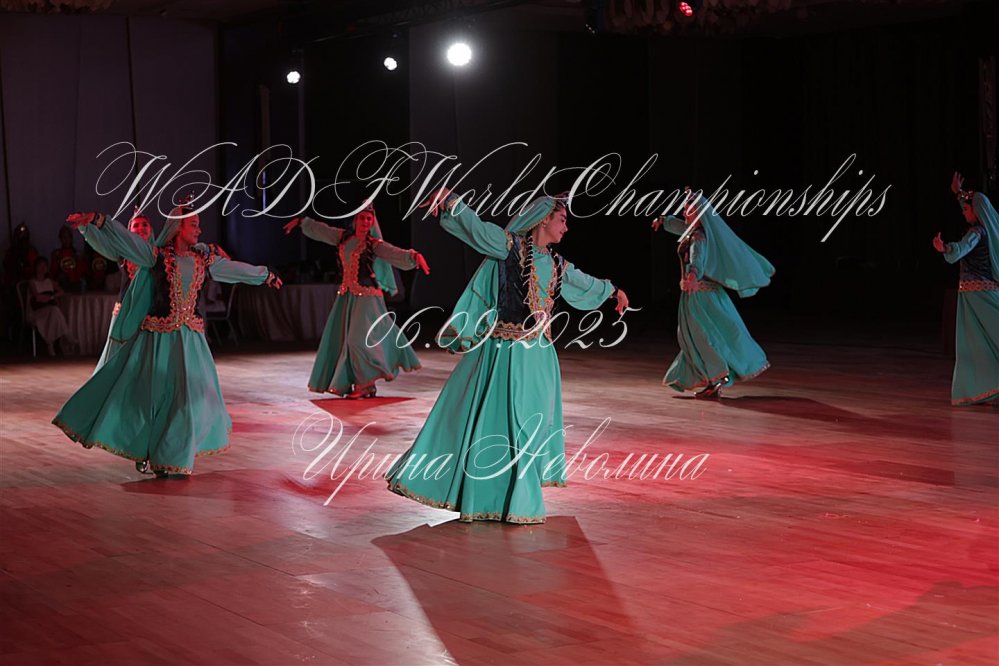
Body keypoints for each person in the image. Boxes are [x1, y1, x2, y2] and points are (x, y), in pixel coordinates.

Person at [386, 190, 629, 524]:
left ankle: (514, 498)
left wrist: (613, 291)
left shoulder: (557, 264)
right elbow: (476, 229)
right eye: (562, 220)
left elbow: (582, 283)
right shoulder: (509, 246)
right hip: (506, 353)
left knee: (534, 426)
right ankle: (512, 501)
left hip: (540, 357)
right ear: (544, 219)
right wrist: (451, 201)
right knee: (505, 424)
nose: (566, 227)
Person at [53, 203, 282, 476]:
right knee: (157, 400)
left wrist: (264, 275)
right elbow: (123, 240)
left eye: (198, 224)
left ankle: (172, 458)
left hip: (191, 343)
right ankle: (161, 456)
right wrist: (97, 221)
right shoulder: (156, 256)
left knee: (190, 400)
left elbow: (233, 270)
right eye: (193, 224)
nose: (199, 230)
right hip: (159, 341)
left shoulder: (203, 259)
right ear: (177, 227)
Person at [283, 203, 429, 398]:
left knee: (356, 342)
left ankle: (363, 384)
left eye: (369, 218)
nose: (365, 221)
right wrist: (302, 221)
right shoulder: (343, 237)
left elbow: (392, 252)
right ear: (355, 220)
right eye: (362, 218)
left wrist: (413, 256)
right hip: (347, 297)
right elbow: (322, 230)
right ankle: (365, 384)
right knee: (341, 341)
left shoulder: (373, 244)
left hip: (368, 298)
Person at [652, 191, 774, 399]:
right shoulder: (694, 231)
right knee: (695, 336)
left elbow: (697, 260)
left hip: (700, 295)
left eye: (689, 209)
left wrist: (692, 275)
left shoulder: (699, 237)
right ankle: (711, 378)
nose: (685, 212)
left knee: (701, 336)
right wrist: (664, 221)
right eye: (685, 208)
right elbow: (679, 227)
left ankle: (718, 377)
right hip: (698, 294)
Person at [932, 172, 998, 405]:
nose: (963, 212)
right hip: (974, 296)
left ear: (976, 211)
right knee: (979, 344)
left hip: (979, 296)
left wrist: (945, 249)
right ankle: (988, 388)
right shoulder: (988, 230)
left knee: (983, 341)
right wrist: (958, 193)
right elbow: (972, 204)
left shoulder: (977, 232)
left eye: (966, 209)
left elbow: (961, 249)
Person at [78, 207, 155, 373]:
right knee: (117, 358)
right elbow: (101, 243)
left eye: (144, 225)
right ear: (128, 231)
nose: (141, 228)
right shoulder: (122, 253)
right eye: (136, 225)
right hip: (124, 311)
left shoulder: (158, 254)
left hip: (149, 312)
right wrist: (85, 227)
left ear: (151, 229)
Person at [26, 256, 73, 356]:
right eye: (40, 265)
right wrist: (48, 298)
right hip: (37, 311)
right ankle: (67, 335)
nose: (42, 268)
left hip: (49, 310)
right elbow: (37, 297)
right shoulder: (32, 282)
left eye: (45, 266)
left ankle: (50, 344)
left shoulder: (49, 281)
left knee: (53, 313)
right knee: (54, 311)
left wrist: (51, 297)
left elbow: (61, 291)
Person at [50, 225, 84, 291]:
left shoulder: (77, 253)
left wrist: (79, 260)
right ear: (60, 239)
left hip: (75, 284)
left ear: (71, 238)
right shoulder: (56, 254)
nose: (66, 239)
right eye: (64, 237)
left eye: (68, 236)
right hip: (62, 285)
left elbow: (82, 272)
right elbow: (53, 271)